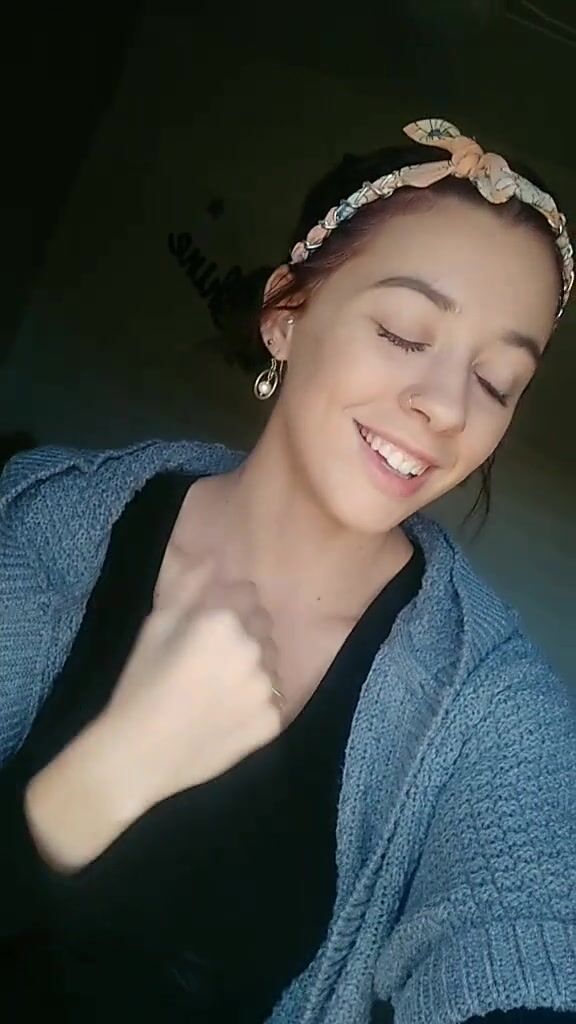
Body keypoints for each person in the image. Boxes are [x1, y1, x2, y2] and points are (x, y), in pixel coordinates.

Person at [0, 118, 575, 1024]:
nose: (446, 407)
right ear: (284, 316)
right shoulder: (33, 519)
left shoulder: (494, 714)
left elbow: (523, 944)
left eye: (498, 381)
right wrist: (107, 777)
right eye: (404, 332)